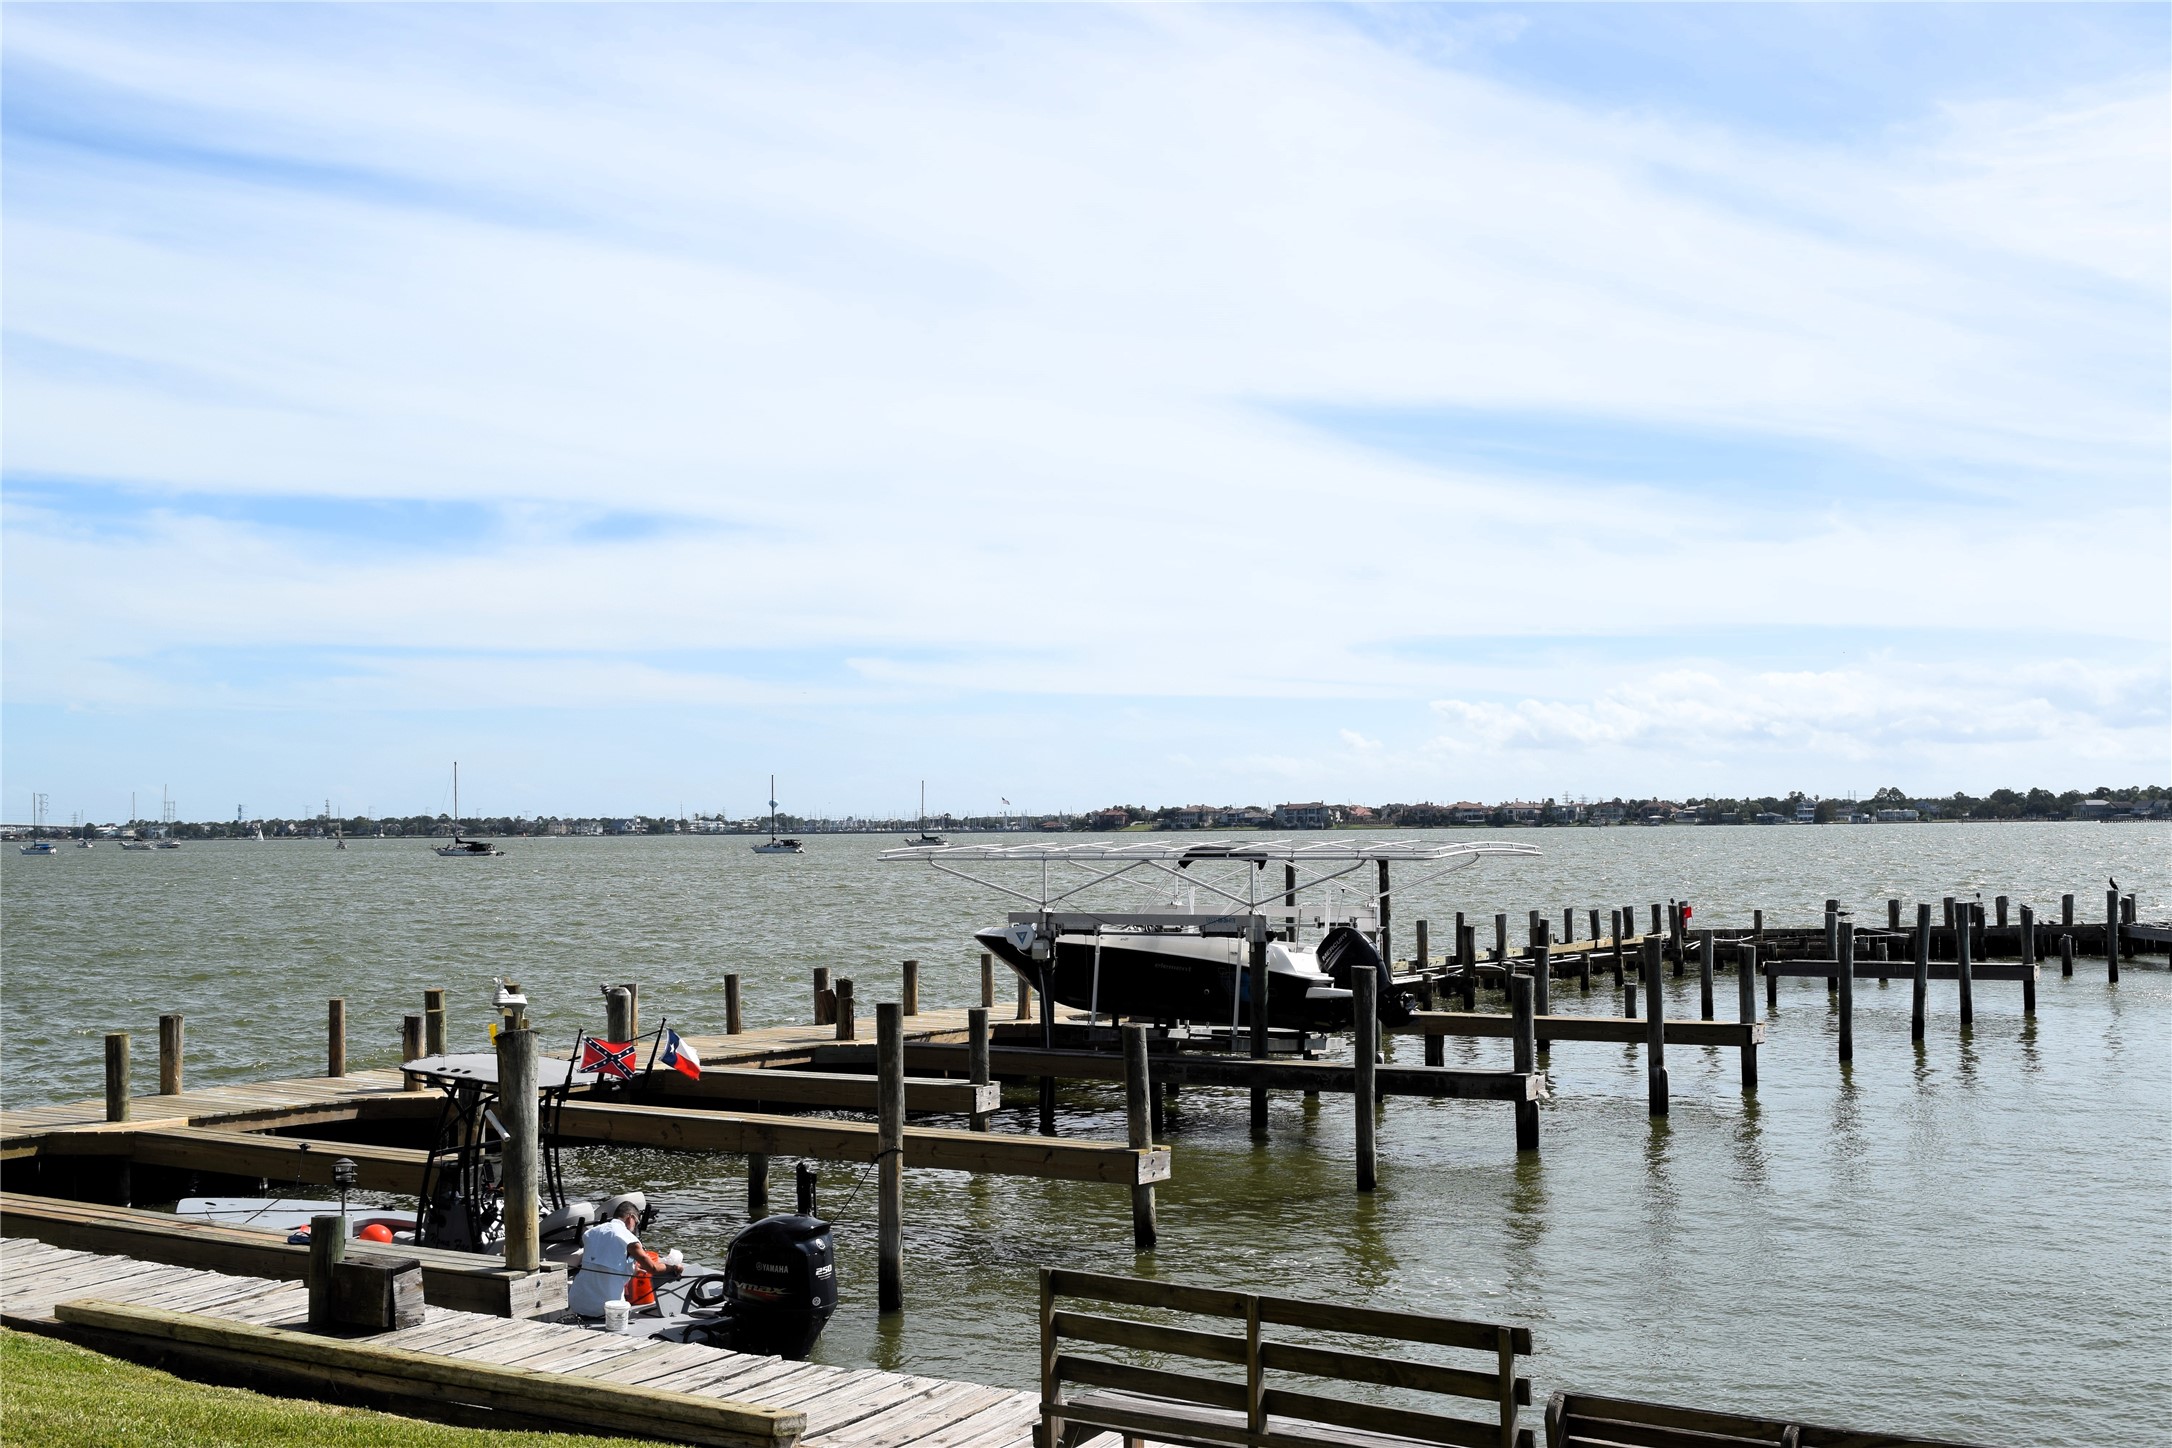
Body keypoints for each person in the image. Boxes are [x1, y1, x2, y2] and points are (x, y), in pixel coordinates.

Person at [568, 1197, 681, 1318]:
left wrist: (632, 1269)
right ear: (631, 1217)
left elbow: (601, 1261)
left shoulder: (590, 1233)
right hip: (605, 1309)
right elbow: (652, 1268)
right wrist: (673, 1267)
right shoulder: (627, 1237)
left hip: (578, 1303)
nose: (635, 1229)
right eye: (636, 1223)